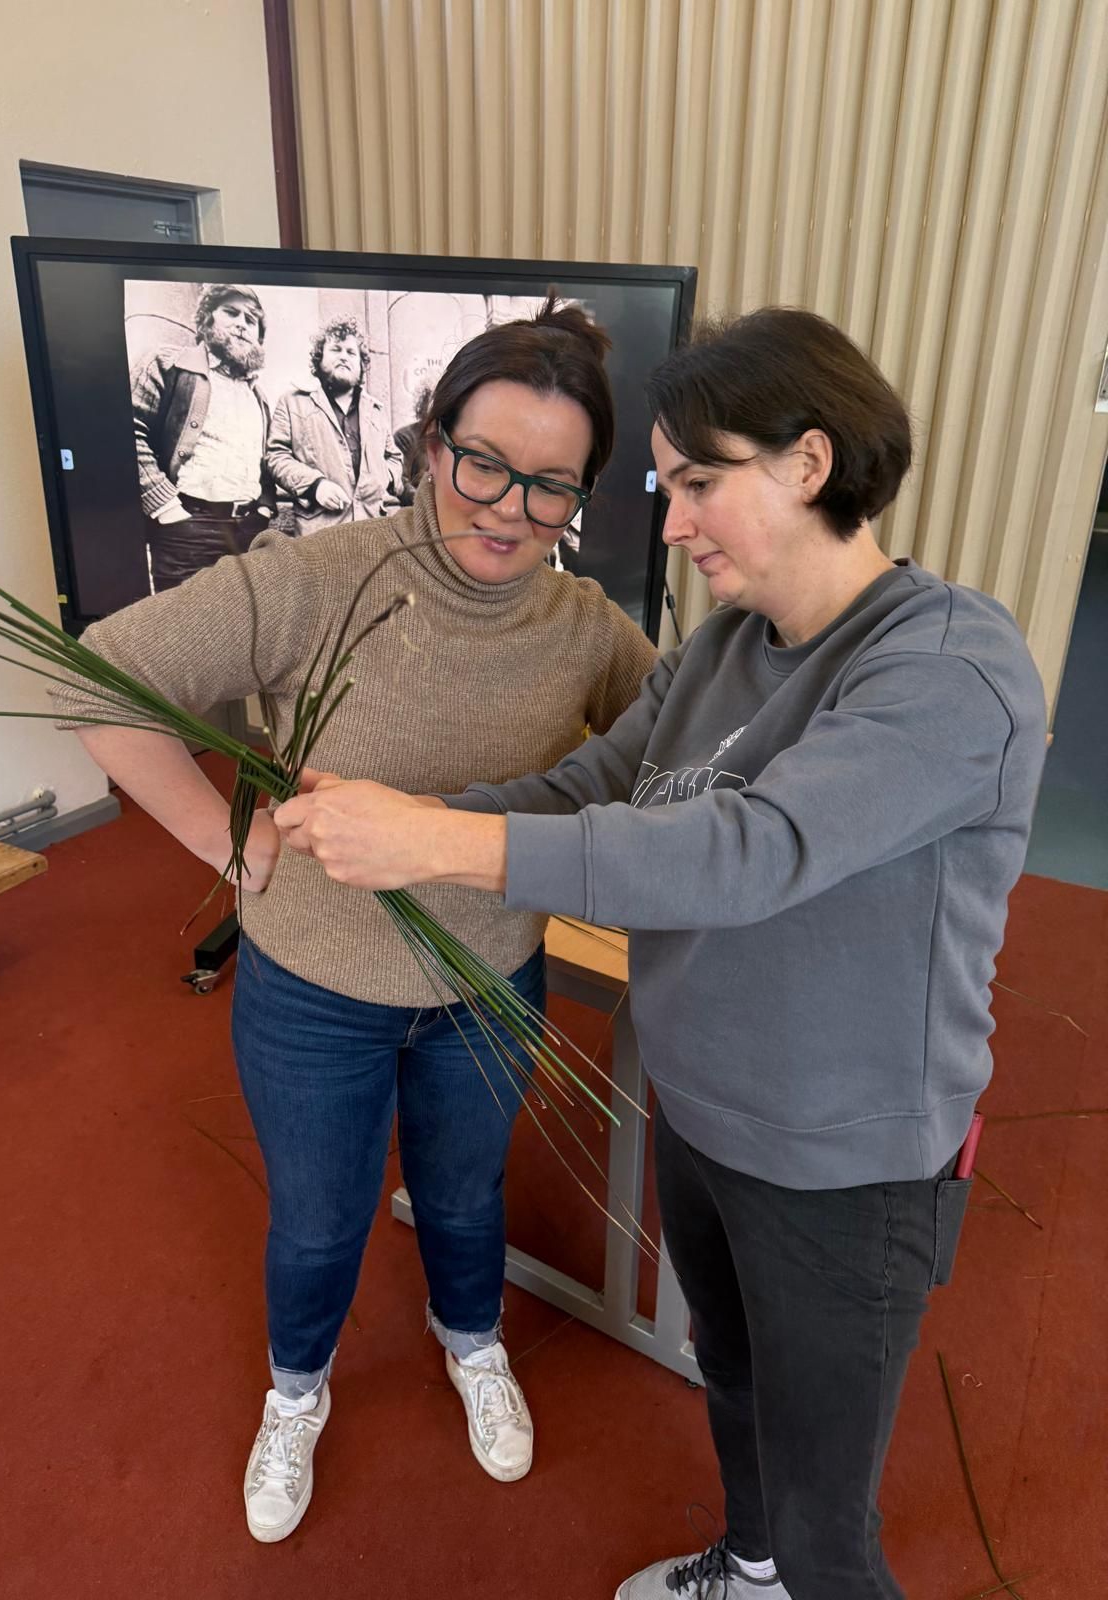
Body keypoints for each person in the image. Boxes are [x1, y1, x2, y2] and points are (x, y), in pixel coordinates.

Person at [270, 308, 1048, 1599]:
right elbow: (591, 786)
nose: (674, 523)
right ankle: (747, 1567)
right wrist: (411, 819)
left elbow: (749, 851)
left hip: (844, 1164)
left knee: (829, 1522)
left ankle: (790, 1566)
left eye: (699, 483)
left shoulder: (950, 665)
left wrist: (440, 846)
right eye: (666, 487)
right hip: (700, 1116)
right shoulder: (723, 648)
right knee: (729, 1379)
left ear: (809, 463)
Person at [52, 298, 656, 1546]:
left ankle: (471, 1338)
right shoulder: (321, 580)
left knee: (466, 1196)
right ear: (433, 444)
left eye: (552, 485)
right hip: (312, 992)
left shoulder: (586, 630)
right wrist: (233, 843)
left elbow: (675, 762)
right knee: (320, 1220)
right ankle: (297, 1389)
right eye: (483, 463)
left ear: (583, 494)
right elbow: (96, 676)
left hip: (490, 981)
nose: (510, 507)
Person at [130, 283, 278, 590]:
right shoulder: (168, 363)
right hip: (186, 529)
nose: (242, 324)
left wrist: (264, 508)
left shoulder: (259, 396)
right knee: (185, 619)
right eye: (231, 313)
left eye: (251, 320)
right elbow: (127, 430)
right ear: (207, 319)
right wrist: (166, 507)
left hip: (248, 531)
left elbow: (266, 460)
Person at [266, 316, 403, 535]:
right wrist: (315, 486)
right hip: (319, 534)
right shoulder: (292, 402)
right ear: (319, 358)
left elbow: (394, 458)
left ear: (361, 364)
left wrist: (383, 478)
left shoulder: (377, 410)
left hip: (372, 531)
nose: (344, 357)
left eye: (351, 352)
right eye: (336, 349)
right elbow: (276, 456)